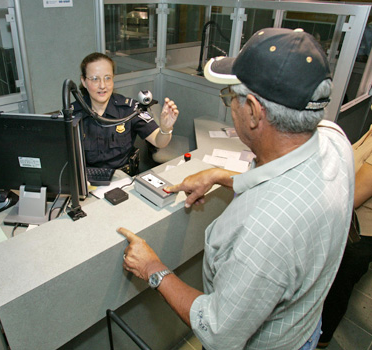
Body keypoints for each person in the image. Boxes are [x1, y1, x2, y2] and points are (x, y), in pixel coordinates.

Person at [118, 28, 354, 350]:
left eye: (230, 97)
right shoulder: (333, 138)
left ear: (255, 111)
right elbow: (280, 176)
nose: (230, 105)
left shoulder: (264, 231)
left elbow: (218, 331)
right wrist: (220, 175)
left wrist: (153, 269)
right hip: (305, 327)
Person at [72, 52, 179, 175]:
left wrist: (166, 129)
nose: (102, 85)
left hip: (123, 178)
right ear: (84, 82)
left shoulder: (129, 109)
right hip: (88, 181)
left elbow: (159, 141)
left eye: (107, 78)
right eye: (95, 79)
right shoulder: (73, 113)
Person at [317, 126, 372, 349]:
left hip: (358, 236)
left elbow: (354, 195)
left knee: (334, 294)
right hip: (346, 225)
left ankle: (320, 341)